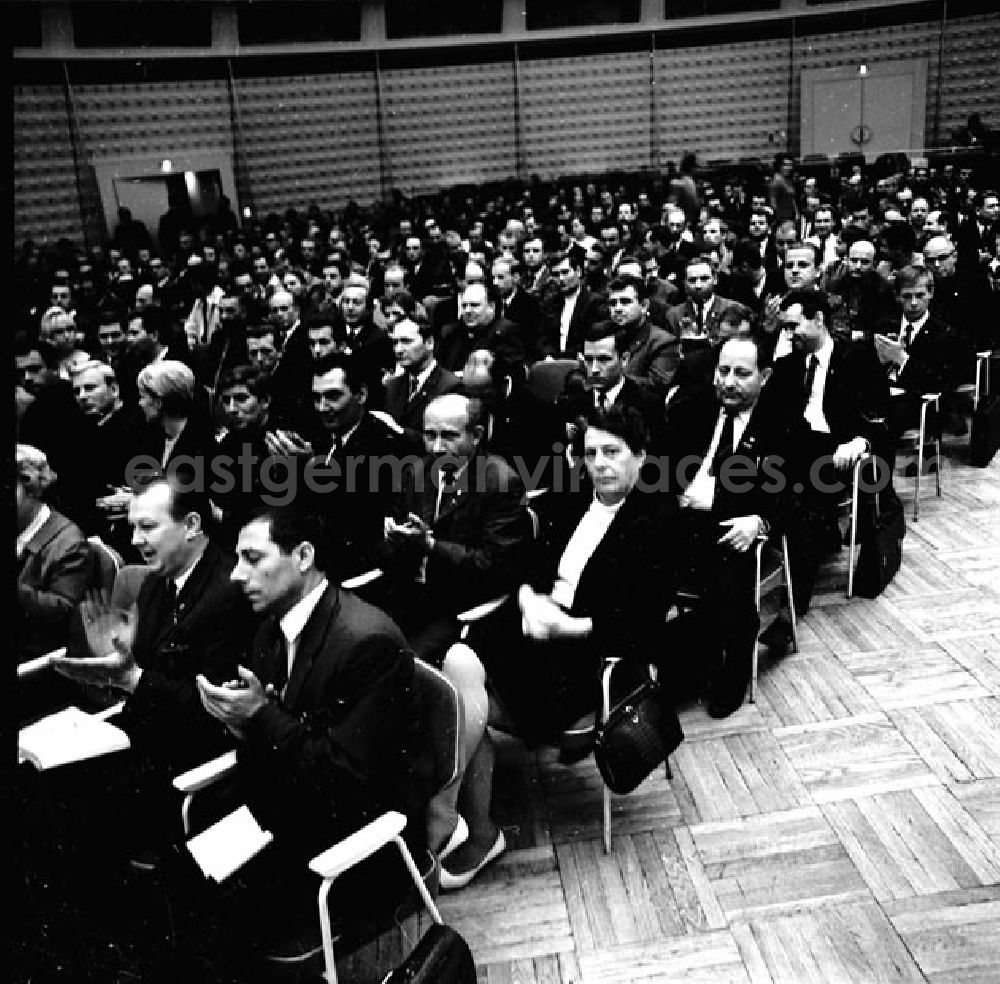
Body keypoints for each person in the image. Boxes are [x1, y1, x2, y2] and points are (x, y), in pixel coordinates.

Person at [438, 405, 677, 890]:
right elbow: (524, 564)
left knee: (465, 698)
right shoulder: (572, 500)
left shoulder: (658, 519)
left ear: (642, 457)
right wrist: (529, 601)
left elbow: (639, 624)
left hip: (584, 654)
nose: (601, 464)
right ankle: (467, 822)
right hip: (530, 623)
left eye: (613, 452)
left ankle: (454, 820)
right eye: (591, 454)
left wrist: (562, 627)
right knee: (458, 668)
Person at [183, 505, 426, 974]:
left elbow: (348, 778)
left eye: (253, 558)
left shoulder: (365, 642)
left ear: (303, 556)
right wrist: (244, 723)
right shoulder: (272, 629)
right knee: (182, 879)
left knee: (206, 914)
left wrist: (260, 717)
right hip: (291, 811)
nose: (237, 575)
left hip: (355, 845)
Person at [663, 336, 786, 717]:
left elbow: (796, 495)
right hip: (682, 522)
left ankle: (732, 666)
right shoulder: (691, 409)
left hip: (735, 529)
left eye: (741, 374)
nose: (728, 382)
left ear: (764, 376)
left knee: (729, 565)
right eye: (723, 371)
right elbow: (660, 472)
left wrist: (761, 521)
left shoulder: (781, 423)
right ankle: (656, 668)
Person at [375, 392, 531, 665]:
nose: (436, 448)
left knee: (398, 666)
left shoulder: (501, 482)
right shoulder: (415, 471)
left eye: (448, 436)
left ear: (477, 435)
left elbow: (492, 566)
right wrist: (393, 537)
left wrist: (431, 546)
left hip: (457, 605)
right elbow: (390, 546)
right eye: (429, 435)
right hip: (407, 594)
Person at [384, 314, 461, 453]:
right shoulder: (392, 386)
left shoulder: (451, 387)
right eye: (395, 343)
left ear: (429, 343)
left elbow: (448, 443)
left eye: (406, 341)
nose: (398, 350)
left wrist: (400, 432)